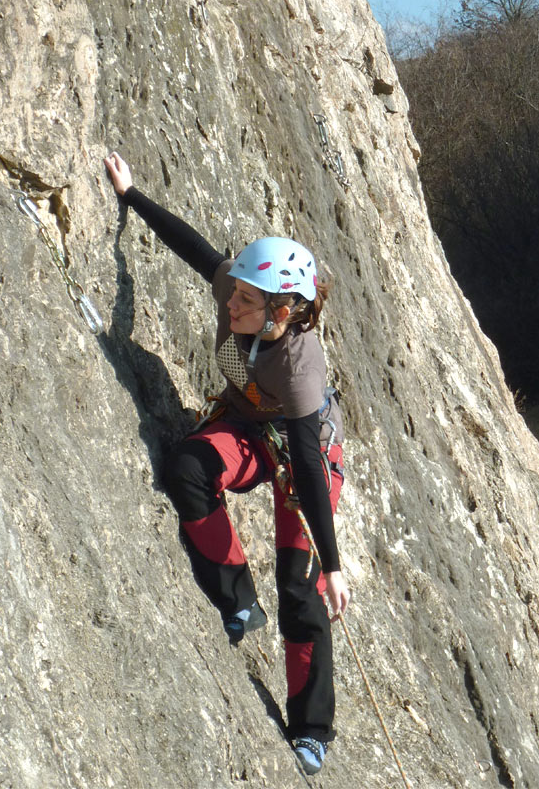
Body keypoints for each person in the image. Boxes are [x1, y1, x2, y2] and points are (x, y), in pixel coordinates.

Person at [103, 152, 350, 775]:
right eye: (234, 292)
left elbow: (308, 468)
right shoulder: (243, 297)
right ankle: (238, 599)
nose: (231, 303)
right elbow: (191, 246)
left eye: (246, 298)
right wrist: (131, 196)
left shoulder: (300, 367)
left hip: (306, 456)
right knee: (188, 465)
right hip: (246, 425)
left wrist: (335, 563)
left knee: (301, 588)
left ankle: (312, 729)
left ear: (284, 312)